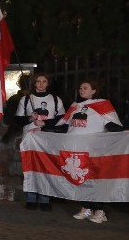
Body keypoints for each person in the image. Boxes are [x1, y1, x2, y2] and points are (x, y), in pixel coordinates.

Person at [50, 80, 124, 224]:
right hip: (77, 150)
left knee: (96, 179)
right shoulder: (75, 106)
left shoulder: (102, 105)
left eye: (85, 88)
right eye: (80, 88)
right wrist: (41, 130)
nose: (81, 90)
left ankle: (100, 211)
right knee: (81, 180)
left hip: (95, 150)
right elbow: (63, 127)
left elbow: (112, 125)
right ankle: (86, 207)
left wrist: (123, 132)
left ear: (94, 91)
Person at [14, 73, 65, 211]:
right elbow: (18, 119)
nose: (41, 84)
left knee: (46, 168)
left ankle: (45, 199)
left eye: (44, 81)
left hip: (48, 139)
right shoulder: (25, 100)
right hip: (30, 140)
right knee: (30, 169)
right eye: (38, 81)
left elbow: (62, 121)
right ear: (34, 83)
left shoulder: (55, 100)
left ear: (48, 83)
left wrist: (45, 123)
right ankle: (31, 198)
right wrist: (30, 119)